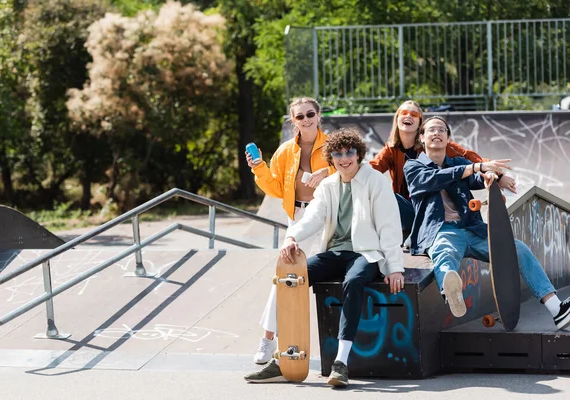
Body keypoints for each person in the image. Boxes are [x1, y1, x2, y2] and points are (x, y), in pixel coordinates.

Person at [244, 127, 405, 386]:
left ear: (359, 155)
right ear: (331, 159)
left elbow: (389, 225)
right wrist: (292, 237)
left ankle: (340, 363)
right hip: (335, 252)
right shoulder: (328, 185)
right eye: (338, 154)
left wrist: (395, 267)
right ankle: (282, 358)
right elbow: (313, 217)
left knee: (353, 282)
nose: (344, 159)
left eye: (350, 152)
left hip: (366, 253)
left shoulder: (375, 181)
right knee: (290, 278)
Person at [403, 116, 570, 329]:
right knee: (444, 252)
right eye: (431, 130)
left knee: (518, 249)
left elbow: (475, 177)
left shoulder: (458, 163)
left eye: (441, 130)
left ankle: (557, 309)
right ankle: (451, 293)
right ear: (422, 138)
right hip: (441, 230)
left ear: (447, 137)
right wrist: (477, 167)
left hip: (472, 229)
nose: (436, 133)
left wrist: (489, 176)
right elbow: (437, 179)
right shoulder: (413, 167)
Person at [246, 97, 335, 365]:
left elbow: (351, 171)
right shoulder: (285, 151)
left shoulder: (333, 146)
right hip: (297, 216)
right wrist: (258, 167)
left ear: (319, 115)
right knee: (285, 275)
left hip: (327, 215)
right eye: (299, 116)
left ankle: (332, 343)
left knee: (324, 276)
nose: (306, 119)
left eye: (310, 114)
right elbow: (275, 188)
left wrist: (326, 172)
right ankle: (268, 338)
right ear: (293, 120)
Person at [369, 100, 517, 235]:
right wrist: (350, 175)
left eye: (414, 114)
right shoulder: (391, 149)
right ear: (397, 119)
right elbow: (372, 169)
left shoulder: (436, 143)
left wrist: (499, 176)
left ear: (420, 121)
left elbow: (471, 159)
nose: (408, 116)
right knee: (382, 192)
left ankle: (416, 232)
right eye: (404, 113)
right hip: (409, 209)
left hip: (431, 210)